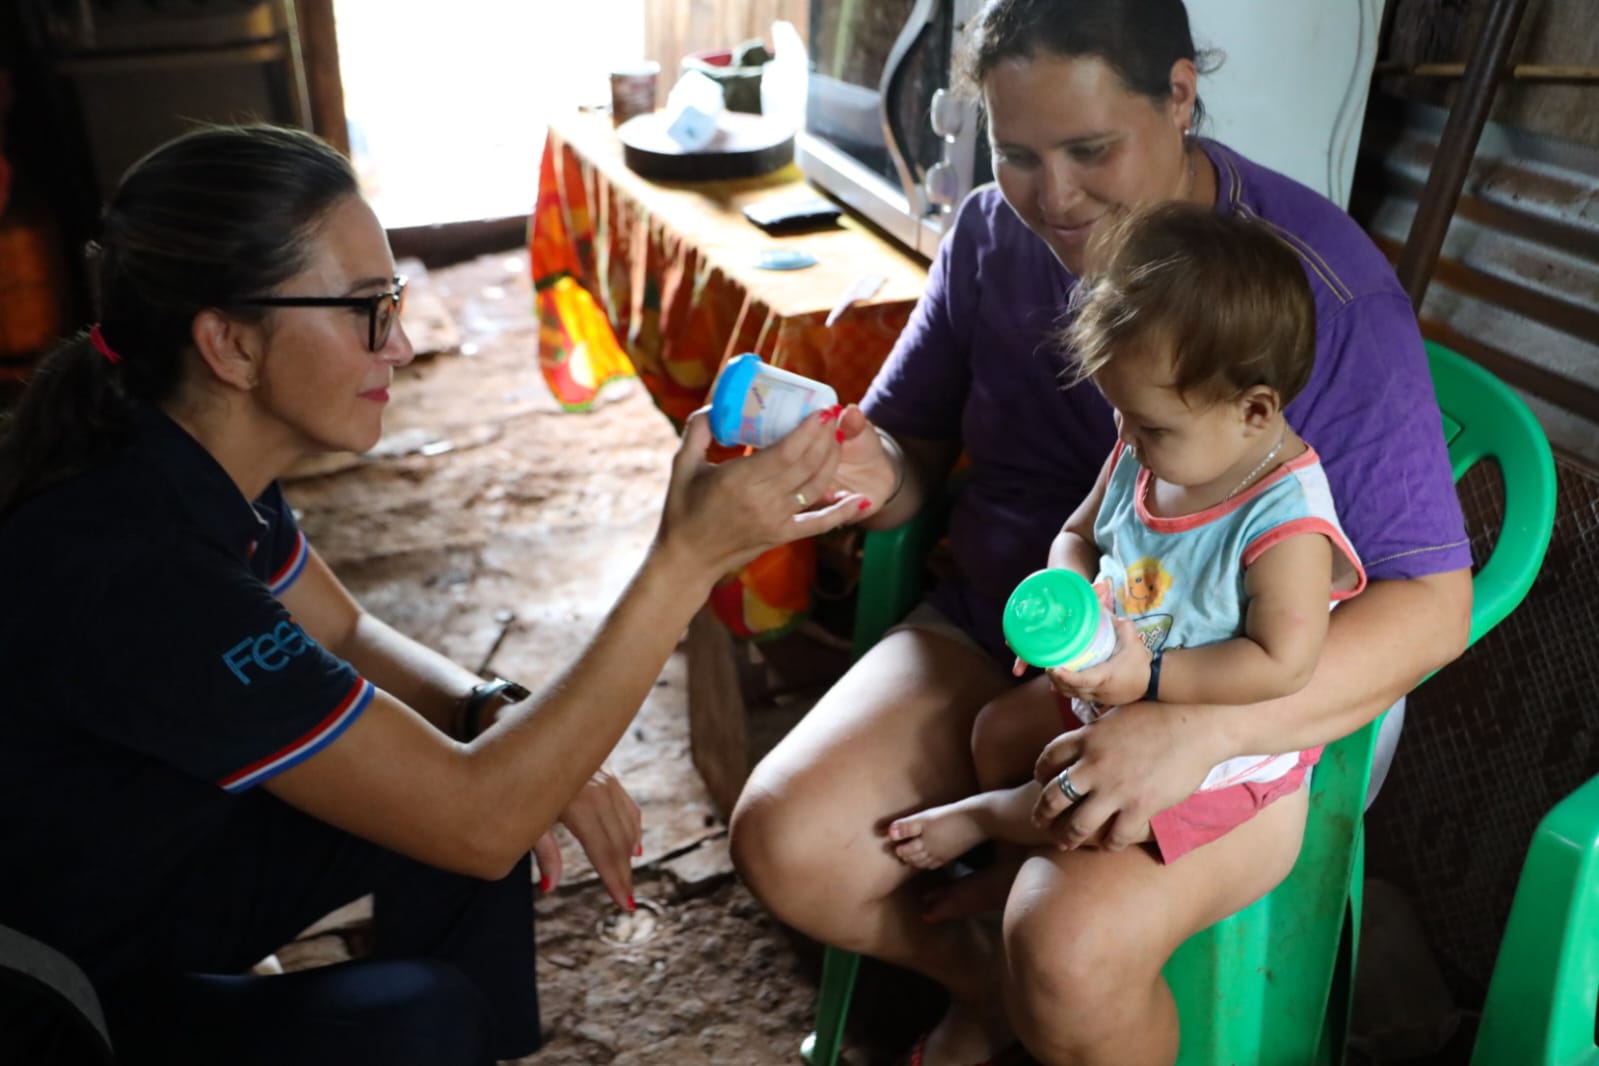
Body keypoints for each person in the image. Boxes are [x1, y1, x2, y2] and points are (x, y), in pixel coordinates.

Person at [0, 124, 867, 1066]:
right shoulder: (139, 565)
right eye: (367, 309)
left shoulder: (188, 450)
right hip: (62, 995)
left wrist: (493, 707)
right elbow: (479, 817)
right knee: (420, 1007)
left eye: (396, 300)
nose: (403, 345)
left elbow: (344, 629)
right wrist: (685, 562)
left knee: (487, 752)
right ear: (230, 345)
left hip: (141, 868)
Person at [728, 2, 1472, 1064]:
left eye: (1090, 150)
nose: (1054, 196)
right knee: (790, 844)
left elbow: (1430, 610)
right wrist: (857, 468)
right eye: (1017, 153)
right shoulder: (991, 233)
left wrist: (1196, 723)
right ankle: (993, 990)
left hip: (1230, 679)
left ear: (1177, 94)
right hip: (1019, 628)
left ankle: (1046, 994)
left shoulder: (1312, 292)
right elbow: (911, 454)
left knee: (1070, 945)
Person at [886, 203, 1368, 874]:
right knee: (995, 731)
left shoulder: (1285, 527)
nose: (1125, 439)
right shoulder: (1145, 451)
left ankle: (986, 820)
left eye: (1149, 426)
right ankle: (998, 876)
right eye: (1121, 414)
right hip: (1122, 677)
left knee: (1074, 801)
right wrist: (1072, 591)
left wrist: (1154, 675)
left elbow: (1281, 665)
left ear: (1254, 411)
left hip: (1205, 735)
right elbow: (1078, 533)